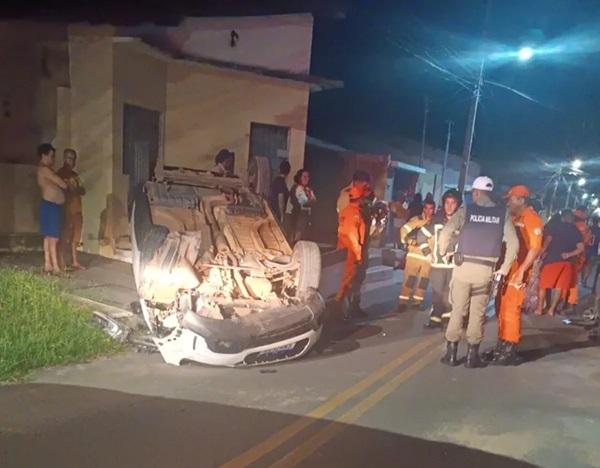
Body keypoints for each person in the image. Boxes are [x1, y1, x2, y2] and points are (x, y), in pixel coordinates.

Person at [439, 176, 518, 368]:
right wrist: (504, 268)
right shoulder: (502, 213)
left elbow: (446, 232)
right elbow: (514, 243)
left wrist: (445, 253)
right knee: (477, 313)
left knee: (457, 310)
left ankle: (451, 354)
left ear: (475, 192)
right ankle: (471, 357)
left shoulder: (467, 210)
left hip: (463, 268)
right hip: (485, 271)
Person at [487, 185, 543, 365]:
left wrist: (521, 272)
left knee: (510, 310)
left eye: (511, 199)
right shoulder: (513, 217)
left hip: (517, 271)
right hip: (507, 269)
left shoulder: (531, 218)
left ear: (521, 200)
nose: (508, 202)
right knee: (501, 308)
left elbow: (535, 248)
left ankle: (509, 349)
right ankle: (502, 344)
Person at [417, 189, 462, 329]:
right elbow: (421, 235)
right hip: (437, 265)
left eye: (453, 203)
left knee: (449, 295)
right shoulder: (436, 221)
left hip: (454, 266)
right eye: (447, 202)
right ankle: (435, 319)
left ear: (457, 205)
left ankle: (447, 320)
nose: (449, 206)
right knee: (437, 294)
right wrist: (427, 253)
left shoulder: (462, 222)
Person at [537, 210, 585, 316]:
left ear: (562, 218)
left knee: (543, 285)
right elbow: (581, 248)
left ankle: (540, 309)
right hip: (566, 263)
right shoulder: (575, 230)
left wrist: (542, 252)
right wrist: (569, 254)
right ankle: (551, 310)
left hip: (551, 260)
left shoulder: (555, 226)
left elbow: (548, 240)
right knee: (559, 287)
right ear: (571, 219)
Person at [335, 183, 371, 319]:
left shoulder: (345, 211)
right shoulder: (355, 215)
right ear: (360, 198)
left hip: (343, 251)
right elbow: (353, 236)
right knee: (346, 284)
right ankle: (338, 313)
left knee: (345, 283)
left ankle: (342, 311)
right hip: (351, 253)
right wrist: (358, 256)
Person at [397, 198, 435, 311]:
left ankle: (417, 302)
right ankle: (403, 302)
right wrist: (408, 242)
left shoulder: (435, 222)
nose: (429, 211)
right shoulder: (416, 220)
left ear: (434, 209)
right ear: (424, 209)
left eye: (431, 208)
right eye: (427, 208)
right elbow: (404, 230)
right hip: (414, 255)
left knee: (423, 281)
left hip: (428, 257)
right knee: (409, 280)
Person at [36, 143, 68, 274]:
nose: (53, 159)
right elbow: (62, 184)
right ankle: (55, 266)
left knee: (49, 236)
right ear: (44, 155)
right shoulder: (44, 170)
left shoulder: (45, 170)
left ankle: (48, 264)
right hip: (50, 206)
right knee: (53, 237)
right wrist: (65, 182)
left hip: (51, 206)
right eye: (51, 156)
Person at [57, 149, 86, 270]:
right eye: (69, 158)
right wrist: (72, 187)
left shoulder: (75, 174)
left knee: (76, 236)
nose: (71, 161)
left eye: (73, 158)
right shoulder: (60, 173)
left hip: (77, 208)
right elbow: (63, 189)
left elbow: (83, 190)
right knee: (65, 235)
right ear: (64, 158)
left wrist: (75, 187)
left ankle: (74, 261)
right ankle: (61, 262)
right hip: (67, 208)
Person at [566, 208, 593, 308]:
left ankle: (571, 302)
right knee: (572, 279)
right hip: (579, 255)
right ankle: (569, 301)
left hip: (574, 255)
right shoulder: (586, 227)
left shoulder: (577, 227)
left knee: (572, 280)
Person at [286, 169, 316, 243]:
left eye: (308, 176)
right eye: (304, 176)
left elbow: (314, 201)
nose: (306, 178)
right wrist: (309, 200)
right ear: (299, 177)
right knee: (296, 237)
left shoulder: (308, 189)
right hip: (298, 216)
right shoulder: (297, 188)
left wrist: (310, 200)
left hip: (305, 216)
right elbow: (304, 202)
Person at [583, 216, 600, 288]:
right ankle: (585, 280)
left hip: (585, 249)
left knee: (583, 265)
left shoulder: (588, 228)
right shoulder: (599, 230)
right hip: (593, 251)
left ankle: (582, 278)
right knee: (589, 266)